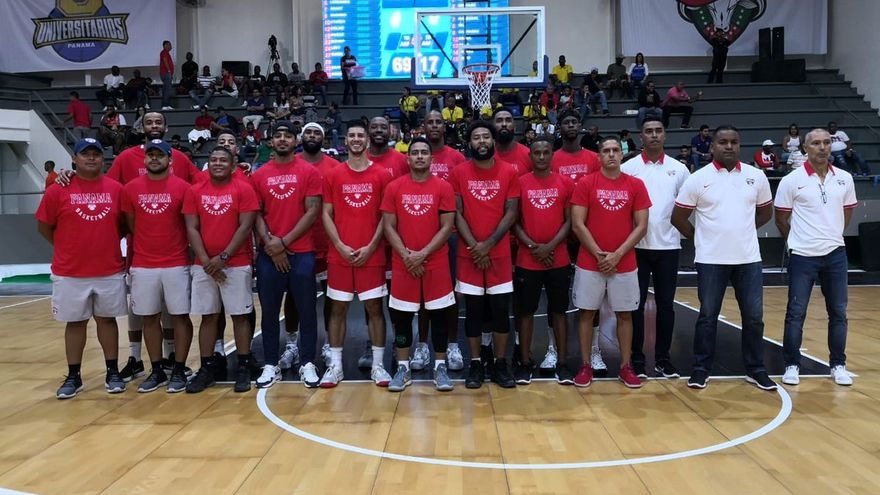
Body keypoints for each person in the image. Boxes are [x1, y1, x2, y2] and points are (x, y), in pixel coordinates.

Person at [671, 125, 777, 391]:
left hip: (748, 259)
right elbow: (678, 217)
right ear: (712, 146)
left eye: (734, 142)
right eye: (723, 142)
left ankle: (756, 369)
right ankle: (701, 369)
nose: (729, 146)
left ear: (739, 145)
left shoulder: (756, 176)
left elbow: (766, 212)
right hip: (710, 260)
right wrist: (700, 238)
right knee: (708, 316)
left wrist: (744, 230)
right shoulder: (697, 178)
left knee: (754, 317)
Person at [37, 138, 128, 399]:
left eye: (95, 154)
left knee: (107, 321)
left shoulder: (116, 189)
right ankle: (74, 376)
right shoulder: (57, 189)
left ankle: (112, 372)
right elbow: (44, 226)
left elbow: (124, 225)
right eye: (85, 154)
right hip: (70, 271)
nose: (91, 158)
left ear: (102, 158)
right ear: (74, 159)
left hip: (108, 269)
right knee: (75, 323)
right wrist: (67, 247)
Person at [775, 128, 858, 387]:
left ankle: (838, 365)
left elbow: (846, 213)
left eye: (826, 142)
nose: (822, 147)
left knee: (839, 312)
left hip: (836, 254)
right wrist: (796, 241)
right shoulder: (791, 180)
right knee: (796, 312)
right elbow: (781, 218)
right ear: (805, 148)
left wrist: (831, 235)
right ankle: (791, 364)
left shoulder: (845, 178)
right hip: (803, 255)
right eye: (816, 143)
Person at [570, 136, 650, 388]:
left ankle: (625, 367)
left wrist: (617, 254)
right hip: (590, 262)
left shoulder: (636, 184)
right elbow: (577, 224)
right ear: (599, 156)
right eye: (606, 150)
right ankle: (586, 365)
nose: (612, 154)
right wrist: (599, 255)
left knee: (625, 315)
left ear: (622, 154)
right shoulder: (586, 183)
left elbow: (642, 226)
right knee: (586, 313)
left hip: (624, 262)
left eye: (616, 150)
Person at [320, 121, 393, 387]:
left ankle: (378, 366)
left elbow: (387, 216)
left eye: (360, 135)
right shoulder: (333, 175)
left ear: (367, 140)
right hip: (340, 254)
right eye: (351, 135)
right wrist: (339, 245)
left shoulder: (382, 174)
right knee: (337, 308)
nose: (356, 139)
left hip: (371, 254)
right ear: (346, 140)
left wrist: (372, 246)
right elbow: (325, 213)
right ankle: (336, 366)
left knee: (374, 309)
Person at [381, 137, 457, 391]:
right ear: (408, 158)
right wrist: (407, 256)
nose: (420, 156)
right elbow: (388, 226)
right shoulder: (394, 187)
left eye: (425, 152)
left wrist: (422, 254)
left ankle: (440, 367)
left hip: (435, 262)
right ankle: (403, 368)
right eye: (415, 152)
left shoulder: (443, 187)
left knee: (439, 316)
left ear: (431, 158)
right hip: (403, 262)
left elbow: (447, 226)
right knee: (402, 318)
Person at [449, 120, 521, 389]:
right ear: (469, 143)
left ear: (493, 141)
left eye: (486, 137)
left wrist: (488, 244)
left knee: (501, 311)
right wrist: (475, 246)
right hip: (469, 255)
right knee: (474, 312)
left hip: (498, 254)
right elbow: (456, 213)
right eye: (476, 137)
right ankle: (476, 363)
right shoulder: (458, 173)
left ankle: (501, 363)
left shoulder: (509, 172)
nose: (482, 141)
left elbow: (511, 212)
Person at [252, 121, 323, 389]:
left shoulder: (309, 172)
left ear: (296, 141)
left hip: (301, 252)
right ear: (271, 142)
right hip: (269, 253)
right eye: (278, 136)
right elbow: (256, 213)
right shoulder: (259, 174)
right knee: (269, 311)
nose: (282, 140)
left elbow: (312, 211)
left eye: (288, 136)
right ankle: (271, 364)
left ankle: (308, 362)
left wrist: (283, 242)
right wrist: (271, 243)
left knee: (307, 311)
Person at [183, 146, 259, 393]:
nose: (217, 163)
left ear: (232, 164)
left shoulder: (244, 189)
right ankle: (207, 368)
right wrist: (207, 261)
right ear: (208, 163)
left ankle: (244, 366)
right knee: (209, 317)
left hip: (236, 263)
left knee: (240, 316)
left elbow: (245, 226)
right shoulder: (195, 191)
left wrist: (223, 257)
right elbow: (191, 228)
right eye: (213, 159)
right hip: (204, 266)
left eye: (223, 160)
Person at [120, 139, 193, 394]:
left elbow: (189, 225)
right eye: (150, 154)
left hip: (176, 263)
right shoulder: (130, 188)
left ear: (170, 160)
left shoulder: (184, 188)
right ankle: (157, 369)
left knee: (180, 317)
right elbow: (131, 225)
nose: (154, 158)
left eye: (159, 155)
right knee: (149, 318)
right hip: (143, 264)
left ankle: (179, 368)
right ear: (144, 159)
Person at [621, 118, 690, 379]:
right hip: (636, 247)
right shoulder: (628, 168)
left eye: (658, 131)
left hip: (668, 247)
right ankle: (637, 358)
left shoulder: (679, 169)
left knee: (666, 306)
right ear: (641, 137)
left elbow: (687, 206)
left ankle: (663, 358)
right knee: (635, 305)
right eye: (648, 131)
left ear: (665, 135)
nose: (654, 135)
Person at [514, 136, 575, 385]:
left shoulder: (565, 182)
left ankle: (562, 363)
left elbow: (569, 221)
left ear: (552, 155)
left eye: (545, 152)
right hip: (527, 259)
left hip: (558, 258)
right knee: (525, 312)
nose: (541, 156)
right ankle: (525, 362)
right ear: (530, 156)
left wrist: (549, 246)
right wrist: (533, 246)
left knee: (559, 311)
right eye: (536, 153)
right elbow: (514, 221)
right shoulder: (519, 183)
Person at [421, 110, 467, 370]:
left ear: (444, 126)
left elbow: (460, 201)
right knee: (421, 294)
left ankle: (452, 344)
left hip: (449, 236)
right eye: (430, 122)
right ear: (424, 126)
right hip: (419, 235)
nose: (435, 125)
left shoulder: (456, 158)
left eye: (438, 122)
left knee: (449, 294)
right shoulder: (415, 155)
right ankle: (421, 345)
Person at [494, 108, 533, 176]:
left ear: (515, 127)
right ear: (492, 127)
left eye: (508, 120)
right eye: (499, 120)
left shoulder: (528, 155)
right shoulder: (485, 156)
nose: (504, 124)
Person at [159, 40, 174, 110]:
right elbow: (165, 61)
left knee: (166, 89)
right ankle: (165, 105)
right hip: (166, 73)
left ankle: (166, 105)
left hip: (166, 73)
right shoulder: (164, 52)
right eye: (169, 45)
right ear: (165, 46)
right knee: (167, 89)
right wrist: (169, 71)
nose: (171, 46)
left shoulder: (166, 53)